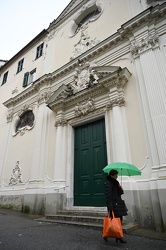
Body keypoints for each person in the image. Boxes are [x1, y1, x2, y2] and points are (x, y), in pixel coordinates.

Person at [104, 169, 128, 243]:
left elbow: (120, 193)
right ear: (112, 175)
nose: (117, 176)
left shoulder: (116, 183)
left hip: (118, 204)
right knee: (112, 221)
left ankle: (118, 236)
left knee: (119, 220)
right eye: (116, 175)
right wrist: (110, 206)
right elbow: (108, 195)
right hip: (113, 205)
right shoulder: (109, 183)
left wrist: (119, 186)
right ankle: (105, 234)